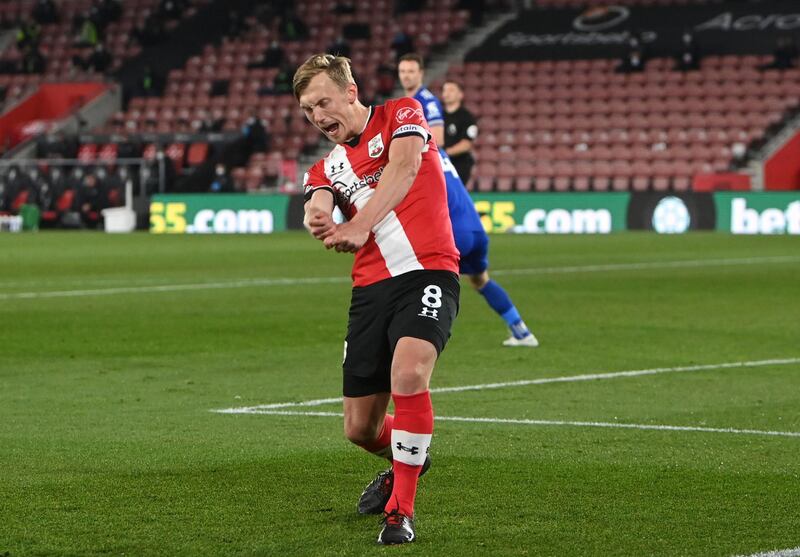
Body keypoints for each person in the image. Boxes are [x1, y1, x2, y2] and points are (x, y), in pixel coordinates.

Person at [295, 54, 460, 544]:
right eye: (307, 110)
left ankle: (400, 511)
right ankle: (412, 452)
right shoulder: (326, 165)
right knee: (359, 429)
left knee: (410, 371)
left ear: (351, 91)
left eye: (323, 101)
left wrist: (359, 224)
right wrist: (318, 218)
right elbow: (318, 199)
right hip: (370, 290)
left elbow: (406, 167)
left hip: (428, 272)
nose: (318, 116)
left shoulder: (403, 114)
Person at [398, 53, 538, 347]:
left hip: (456, 234)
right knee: (480, 280)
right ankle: (521, 330)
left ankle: (417, 341)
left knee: (417, 281)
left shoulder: (423, 163)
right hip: (476, 230)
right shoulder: (443, 160)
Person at [441, 80, 478, 185]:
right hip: (440, 163)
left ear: (460, 95)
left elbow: (466, 144)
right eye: (445, 90)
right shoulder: (438, 116)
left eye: (451, 90)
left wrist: (444, 153)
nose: (447, 93)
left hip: (459, 164)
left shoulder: (467, 117)